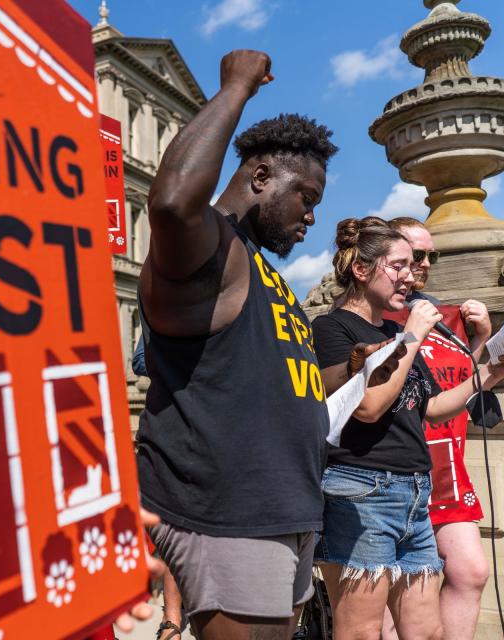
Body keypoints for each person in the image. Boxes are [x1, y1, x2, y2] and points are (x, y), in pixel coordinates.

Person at [136, 47, 343, 640]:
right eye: (306, 197)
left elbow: (279, 380)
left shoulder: (264, 271)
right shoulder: (213, 250)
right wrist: (235, 88)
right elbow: (173, 204)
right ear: (260, 178)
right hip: (229, 514)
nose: (310, 219)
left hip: (284, 510)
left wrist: (352, 370)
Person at [311, 216, 504, 640]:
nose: (410, 277)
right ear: (361, 269)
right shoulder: (330, 329)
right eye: (399, 266)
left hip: (413, 494)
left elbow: (432, 408)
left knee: (426, 631)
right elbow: (368, 407)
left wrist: (491, 373)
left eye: (414, 266)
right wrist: (410, 336)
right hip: (361, 492)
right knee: (362, 632)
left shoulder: (394, 328)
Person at [376, 217, 492, 640]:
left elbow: (455, 381)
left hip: (447, 465)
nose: (424, 264)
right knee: (395, 591)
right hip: (396, 467)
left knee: (471, 571)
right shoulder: (374, 315)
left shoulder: (442, 315)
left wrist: (481, 342)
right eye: (415, 254)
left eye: (431, 255)